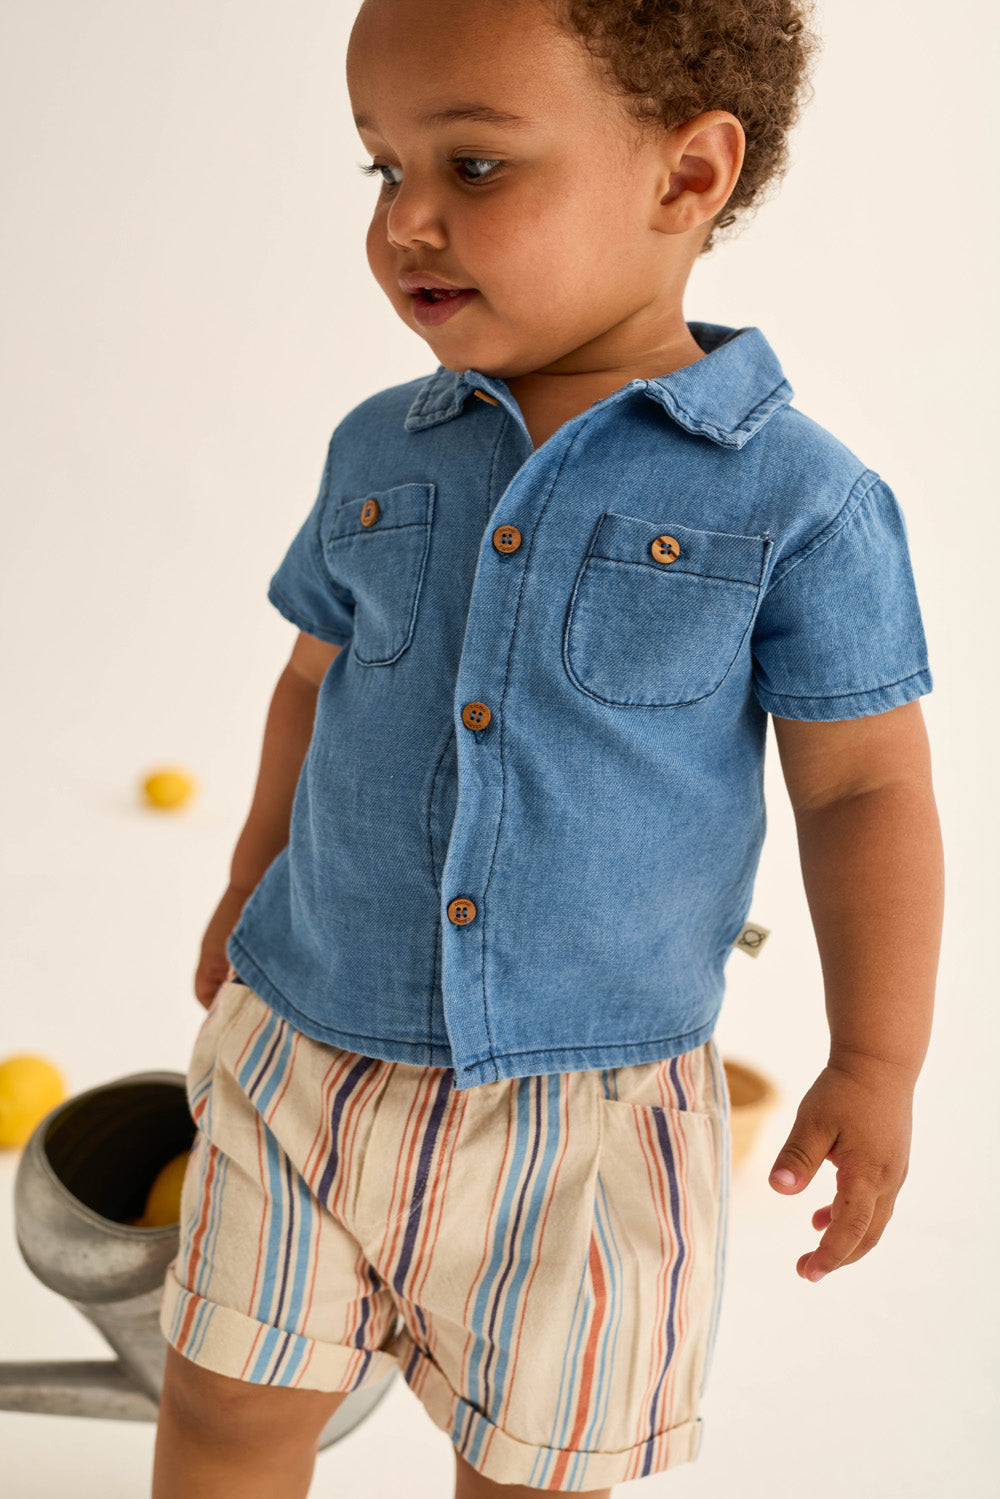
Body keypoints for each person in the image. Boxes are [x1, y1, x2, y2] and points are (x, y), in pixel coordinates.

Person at [151, 1, 945, 1495]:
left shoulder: (801, 502)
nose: (410, 222)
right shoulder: (379, 447)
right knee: (222, 1411)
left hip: (593, 1124)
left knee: (536, 1476)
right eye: (381, 168)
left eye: (476, 165)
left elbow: (867, 783)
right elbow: (311, 681)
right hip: (304, 1057)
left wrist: (879, 1055)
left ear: (686, 176)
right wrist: (249, 878)